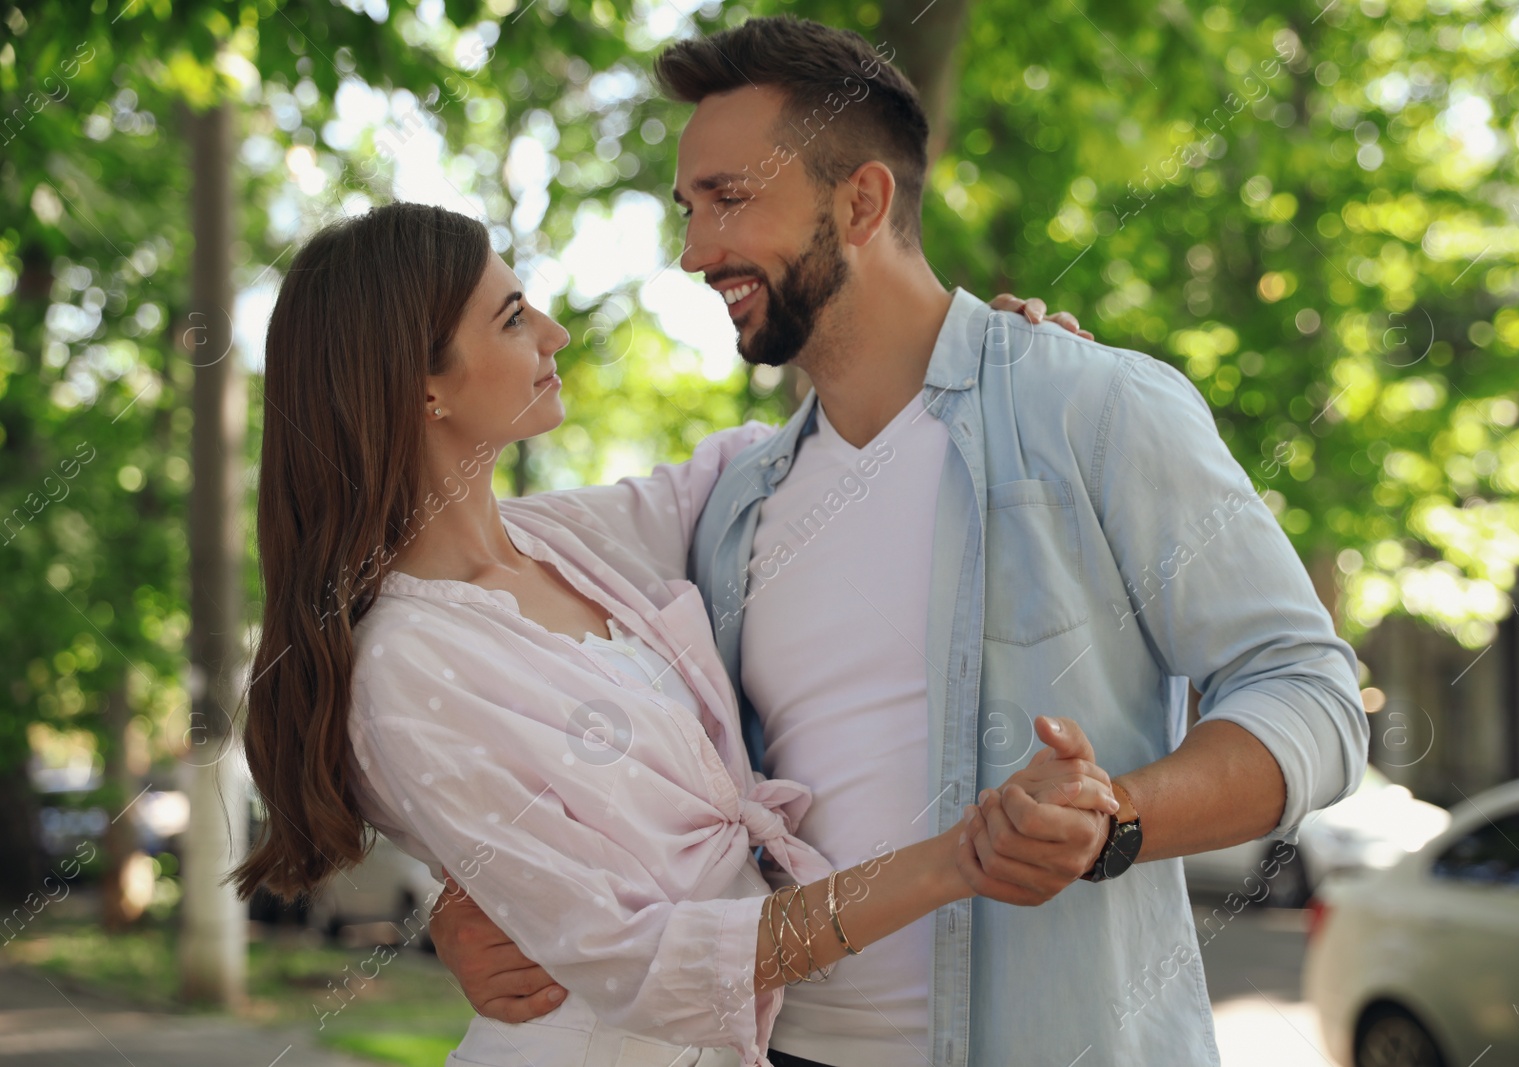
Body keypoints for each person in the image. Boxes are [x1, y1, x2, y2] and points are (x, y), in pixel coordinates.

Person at [432, 16, 1370, 1067]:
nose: (695, 252)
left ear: (863, 200)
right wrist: (474, 896)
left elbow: (1311, 692)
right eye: (689, 207)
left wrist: (1119, 816)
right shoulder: (730, 499)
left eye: (730, 199)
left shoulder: (1090, 408)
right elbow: (507, 647)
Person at [230, 201, 1107, 1067]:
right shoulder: (408, 668)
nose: (554, 332)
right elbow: (651, 962)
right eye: (511, 317)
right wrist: (964, 856)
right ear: (420, 385)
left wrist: (952, 363)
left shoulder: (564, 542)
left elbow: (761, 463)